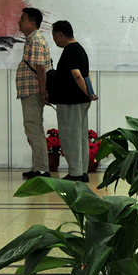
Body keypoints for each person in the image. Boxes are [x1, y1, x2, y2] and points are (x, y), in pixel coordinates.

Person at [51, 20, 93, 182]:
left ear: (61, 35)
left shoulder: (69, 50)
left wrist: (87, 93)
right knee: (81, 136)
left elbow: (77, 76)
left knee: (70, 136)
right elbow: (86, 75)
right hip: (81, 100)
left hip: (71, 101)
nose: (54, 39)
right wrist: (90, 93)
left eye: (54, 35)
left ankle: (75, 173)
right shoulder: (80, 49)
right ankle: (82, 171)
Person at [16, 8, 51, 179]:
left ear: (32, 23)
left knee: (34, 128)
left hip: (33, 91)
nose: (19, 22)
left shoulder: (36, 40)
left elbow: (40, 68)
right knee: (32, 128)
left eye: (22, 19)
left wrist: (43, 90)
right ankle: (37, 166)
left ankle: (42, 169)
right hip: (30, 91)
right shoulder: (32, 40)